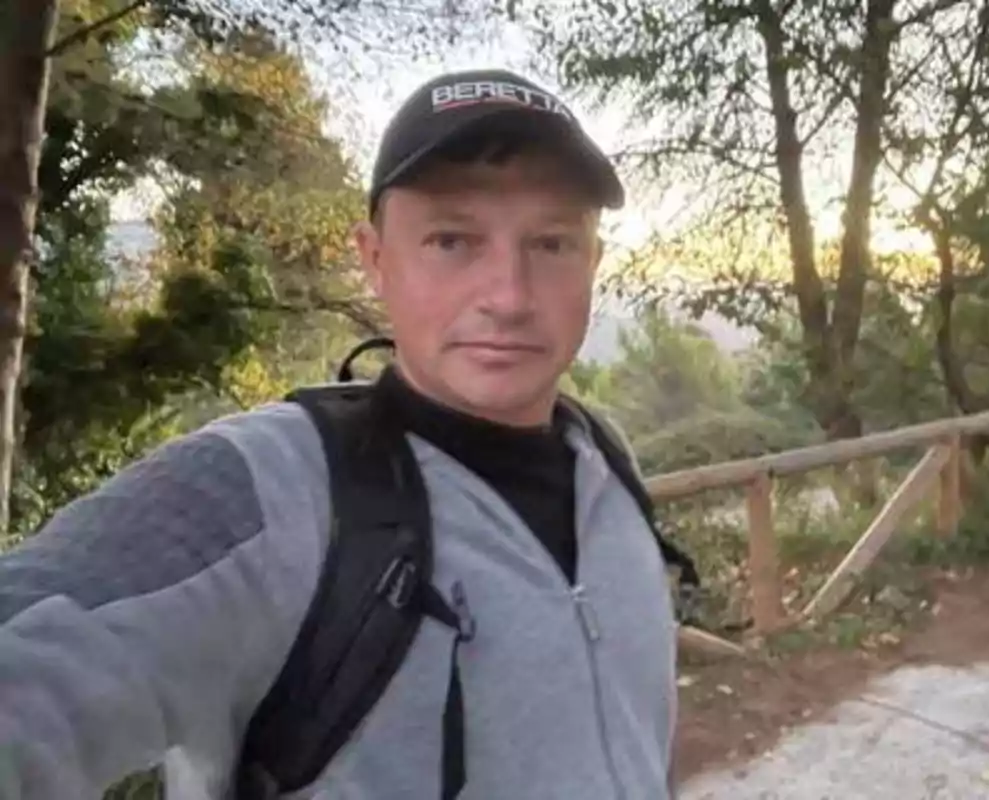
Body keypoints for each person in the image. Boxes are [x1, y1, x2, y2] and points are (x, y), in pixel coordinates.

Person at [0, 69, 682, 799]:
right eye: (452, 240)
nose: (509, 297)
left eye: (551, 244)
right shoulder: (270, 488)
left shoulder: (603, 458)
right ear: (375, 261)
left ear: (593, 263)